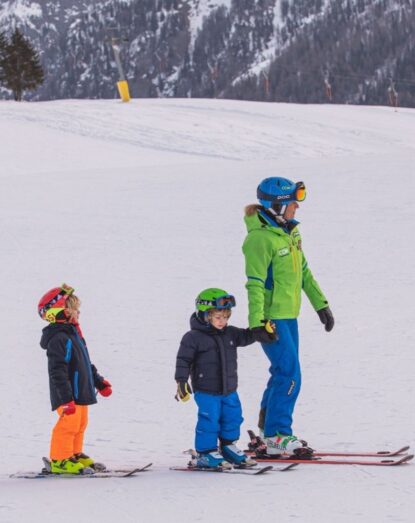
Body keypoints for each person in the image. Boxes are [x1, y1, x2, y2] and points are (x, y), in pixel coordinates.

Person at [242, 177, 334, 456]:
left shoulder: (290, 233)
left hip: (289, 315)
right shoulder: (259, 239)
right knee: (290, 374)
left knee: (282, 372)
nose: (296, 208)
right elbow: (254, 282)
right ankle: (277, 434)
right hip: (272, 317)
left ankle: (267, 430)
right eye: (293, 203)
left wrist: (321, 304)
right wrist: (258, 322)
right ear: (277, 206)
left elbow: (303, 272)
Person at [175, 288, 258, 469]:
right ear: (205, 315)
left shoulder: (230, 333)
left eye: (226, 317)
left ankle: (228, 447)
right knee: (209, 419)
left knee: (233, 417)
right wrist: (181, 382)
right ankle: (206, 453)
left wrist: (262, 331)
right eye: (218, 317)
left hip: (229, 389)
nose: (223, 322)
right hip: (206, 390)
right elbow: (183, 361)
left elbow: (247, 336)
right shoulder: (193, 338)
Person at [38, 283, 112, 474]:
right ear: (61, 312)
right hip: (68, 394)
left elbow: (85, 363)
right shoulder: (58, 339)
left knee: (80, 424)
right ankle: (60, 460)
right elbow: (57, 371)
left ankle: (73, 453)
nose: (78, 313)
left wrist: (99, 382)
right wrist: (65, 398)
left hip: (80, 391)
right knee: (68, 424)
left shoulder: (74, 335)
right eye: (74, 309)